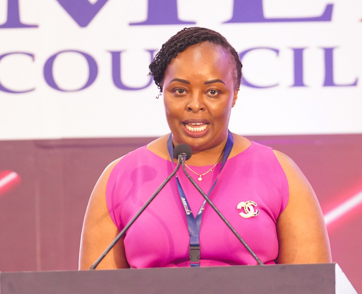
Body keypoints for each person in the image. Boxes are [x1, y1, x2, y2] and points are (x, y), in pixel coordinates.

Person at [79, 27, 330, 269]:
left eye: (212, 91)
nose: (195, 104)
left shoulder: (278, 171)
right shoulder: (120, 177)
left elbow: (315, 292)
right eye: (179, 91)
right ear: (162, 92)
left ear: (234, 94)